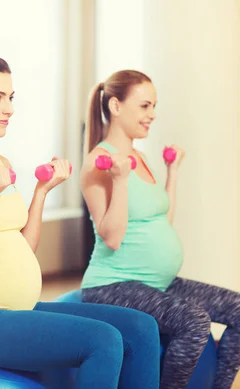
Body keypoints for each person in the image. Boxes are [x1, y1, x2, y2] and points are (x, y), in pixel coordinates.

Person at [0, 52, 161, 388]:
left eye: (11, 98)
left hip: (17, 309)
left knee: (141, 328)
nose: (9, 109)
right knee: (102, 340)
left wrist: (42, 192)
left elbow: (23, 247)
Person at [79, 69, 240, 389]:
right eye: (144, 106)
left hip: (157, 283)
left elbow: (160, 221)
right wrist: (120, 181)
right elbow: (111, 237)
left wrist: (173, 173)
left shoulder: (139, 156)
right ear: (115, 106)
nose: (152, 114)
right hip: (113, 285)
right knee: (195, 321)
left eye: (154, 106)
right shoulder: (98, 163)